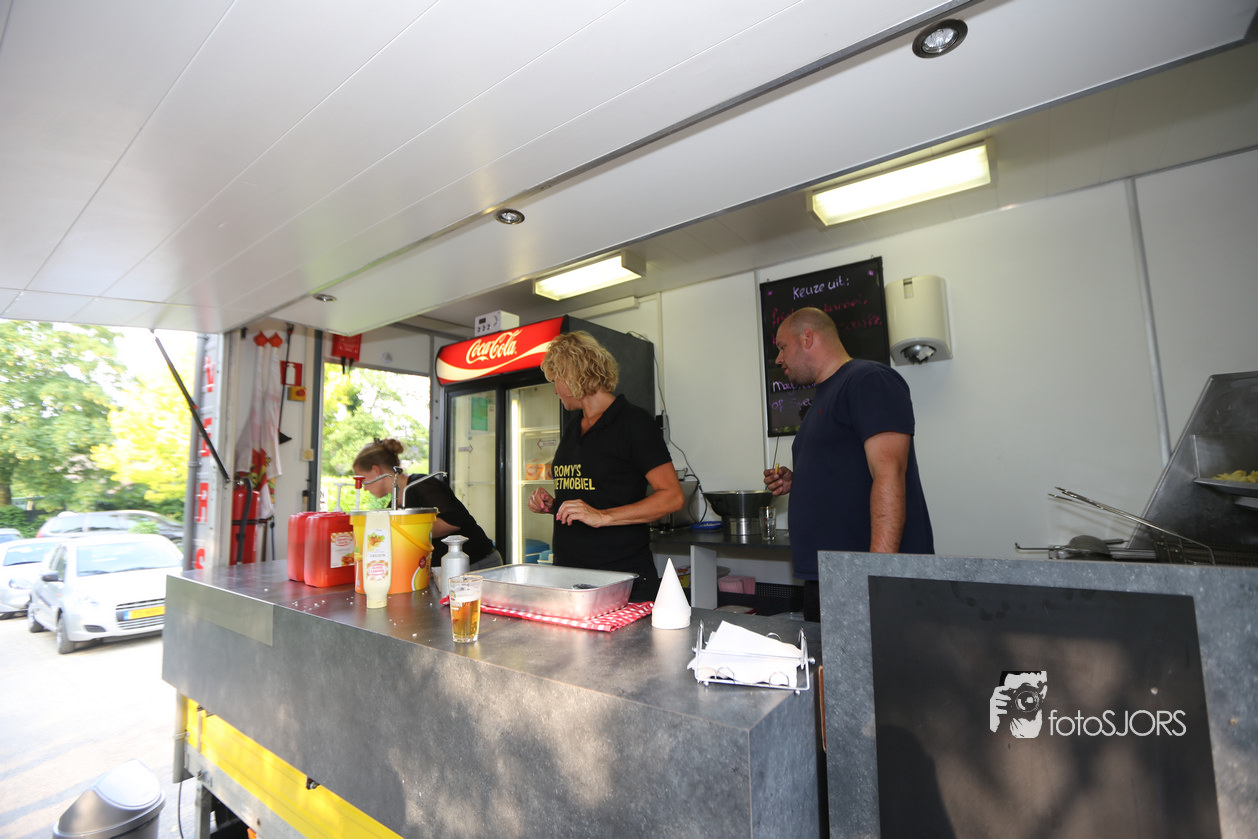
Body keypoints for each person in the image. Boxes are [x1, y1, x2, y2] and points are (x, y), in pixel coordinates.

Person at [763, 307, 933, 621]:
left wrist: (875, 574)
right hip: (825, 574)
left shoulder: (868, 379)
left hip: (864, 576)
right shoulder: (822, 398)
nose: (779, 358)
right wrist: (798, 481)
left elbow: (890, 472)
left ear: (807, 338)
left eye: (782, 347)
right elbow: (847, 471)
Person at [526, 331, 683, 601]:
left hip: (620, 580)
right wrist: (555, 506)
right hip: (569, 577)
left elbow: (672, 497)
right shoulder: (573, 427)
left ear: (571, 376)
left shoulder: (633, 422)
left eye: (555, 380)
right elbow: (594, 494)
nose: (554, 390)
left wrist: (603, 516)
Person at [352, 438, 502, 570]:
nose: (363, 487)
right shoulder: (395, 501)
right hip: (445, 568)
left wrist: (400, 530)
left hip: (477, 562)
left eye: (362, 479)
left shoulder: (422, 485)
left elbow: (452, 522)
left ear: (376, 470)